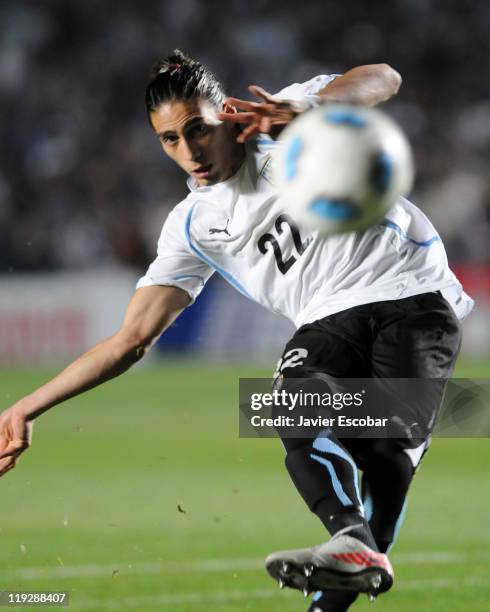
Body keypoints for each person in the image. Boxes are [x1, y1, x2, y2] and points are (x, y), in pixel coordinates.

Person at [0, 50, 473, 611]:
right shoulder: (192, 227)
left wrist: (309, 109)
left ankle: (355, 537)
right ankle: (348, 541)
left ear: (224, 113)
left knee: (386, 469)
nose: (189, 150)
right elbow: (131, 339)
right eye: (169, 140)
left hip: (414, 296)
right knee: (297, 413)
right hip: (328, 321)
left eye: (197, 128)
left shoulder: (283, 118)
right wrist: (27, 406)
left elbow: (383, 78)